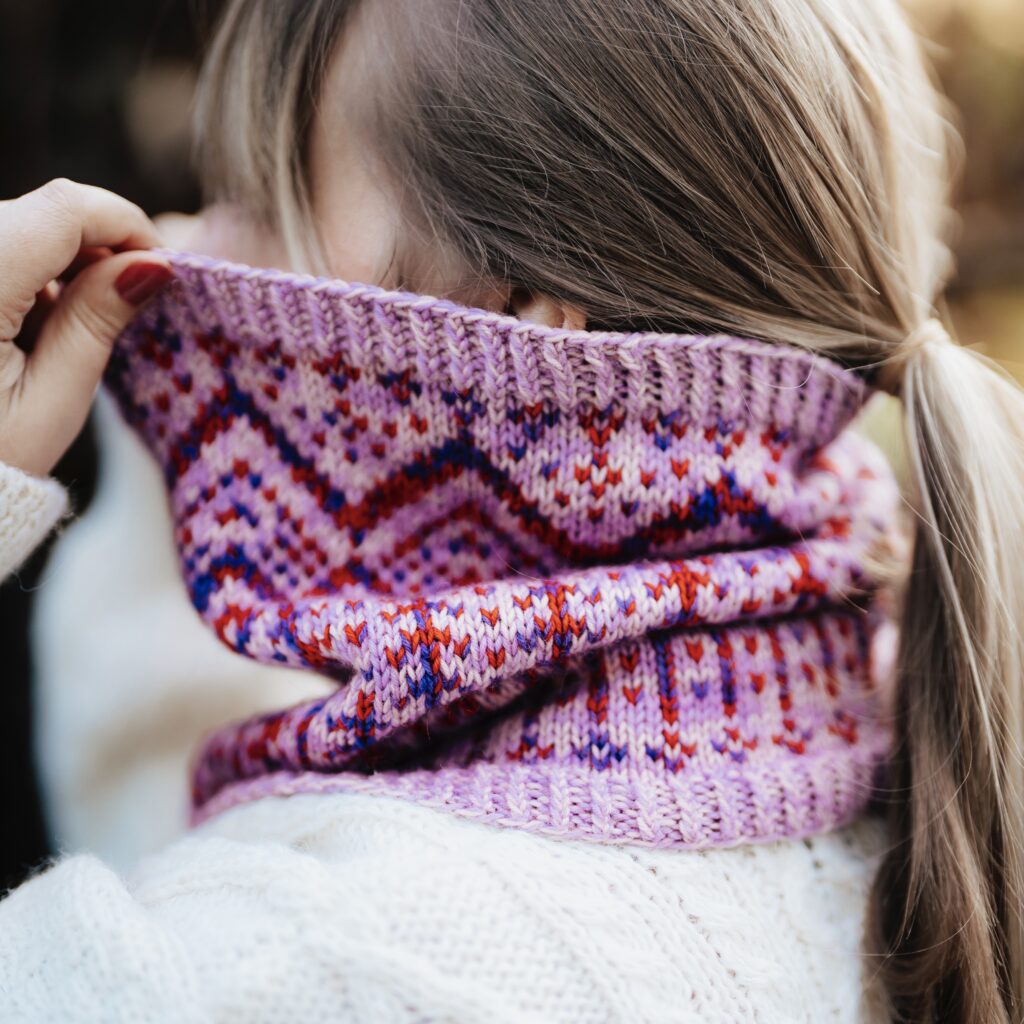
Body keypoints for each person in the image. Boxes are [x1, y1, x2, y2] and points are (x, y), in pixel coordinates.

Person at [1, 1, 1021, 1021]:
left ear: (514, 348)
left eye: (260, 197)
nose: (187, 242)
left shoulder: (300, 954)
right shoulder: (893, 761)